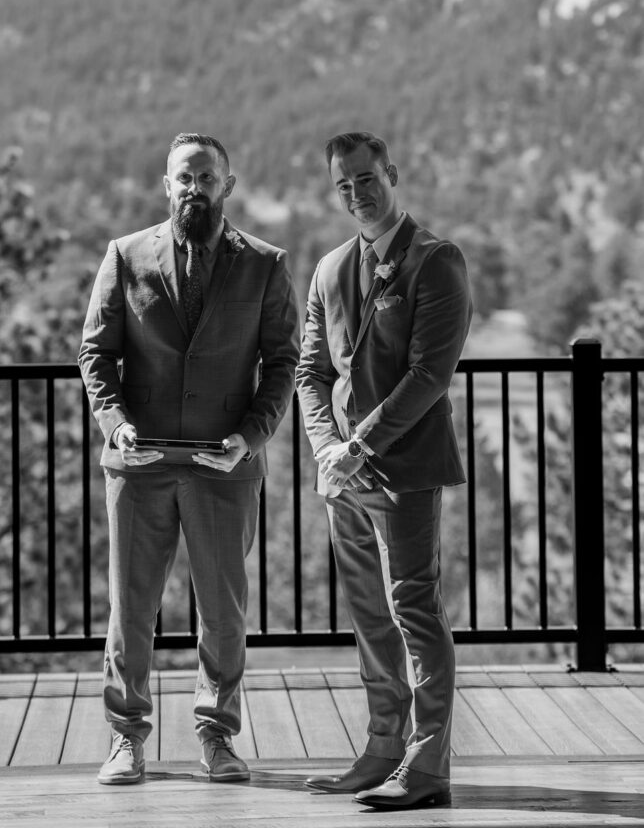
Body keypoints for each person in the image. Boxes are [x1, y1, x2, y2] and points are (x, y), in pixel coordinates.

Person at [79, 132, 299, 786]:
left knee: (224, 614)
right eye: (183, 177)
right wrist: (115, 426)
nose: (193, 187)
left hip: (224, 467)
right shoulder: (124, 255)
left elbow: (284, 361)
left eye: (206, 177)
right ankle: (125, 740)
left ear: (227, 185)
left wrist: (252, 436)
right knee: (131, 610)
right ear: (166, 184)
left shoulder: (265, 264)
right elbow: (96, 356)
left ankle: (218, 738)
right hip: (138, 467)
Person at [295, 131, 472, 810]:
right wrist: (324, 450)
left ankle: (426, 769)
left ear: (392, 175)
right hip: (343, 473)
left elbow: (430, 374)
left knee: (413, 609)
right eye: (342, 185)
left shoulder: (437, 260)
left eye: (365, 179)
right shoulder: (330, 268)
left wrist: (359, 446)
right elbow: (311, 373)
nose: (355, 194)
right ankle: (380, 751)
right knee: (370, 615)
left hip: (404, 469)